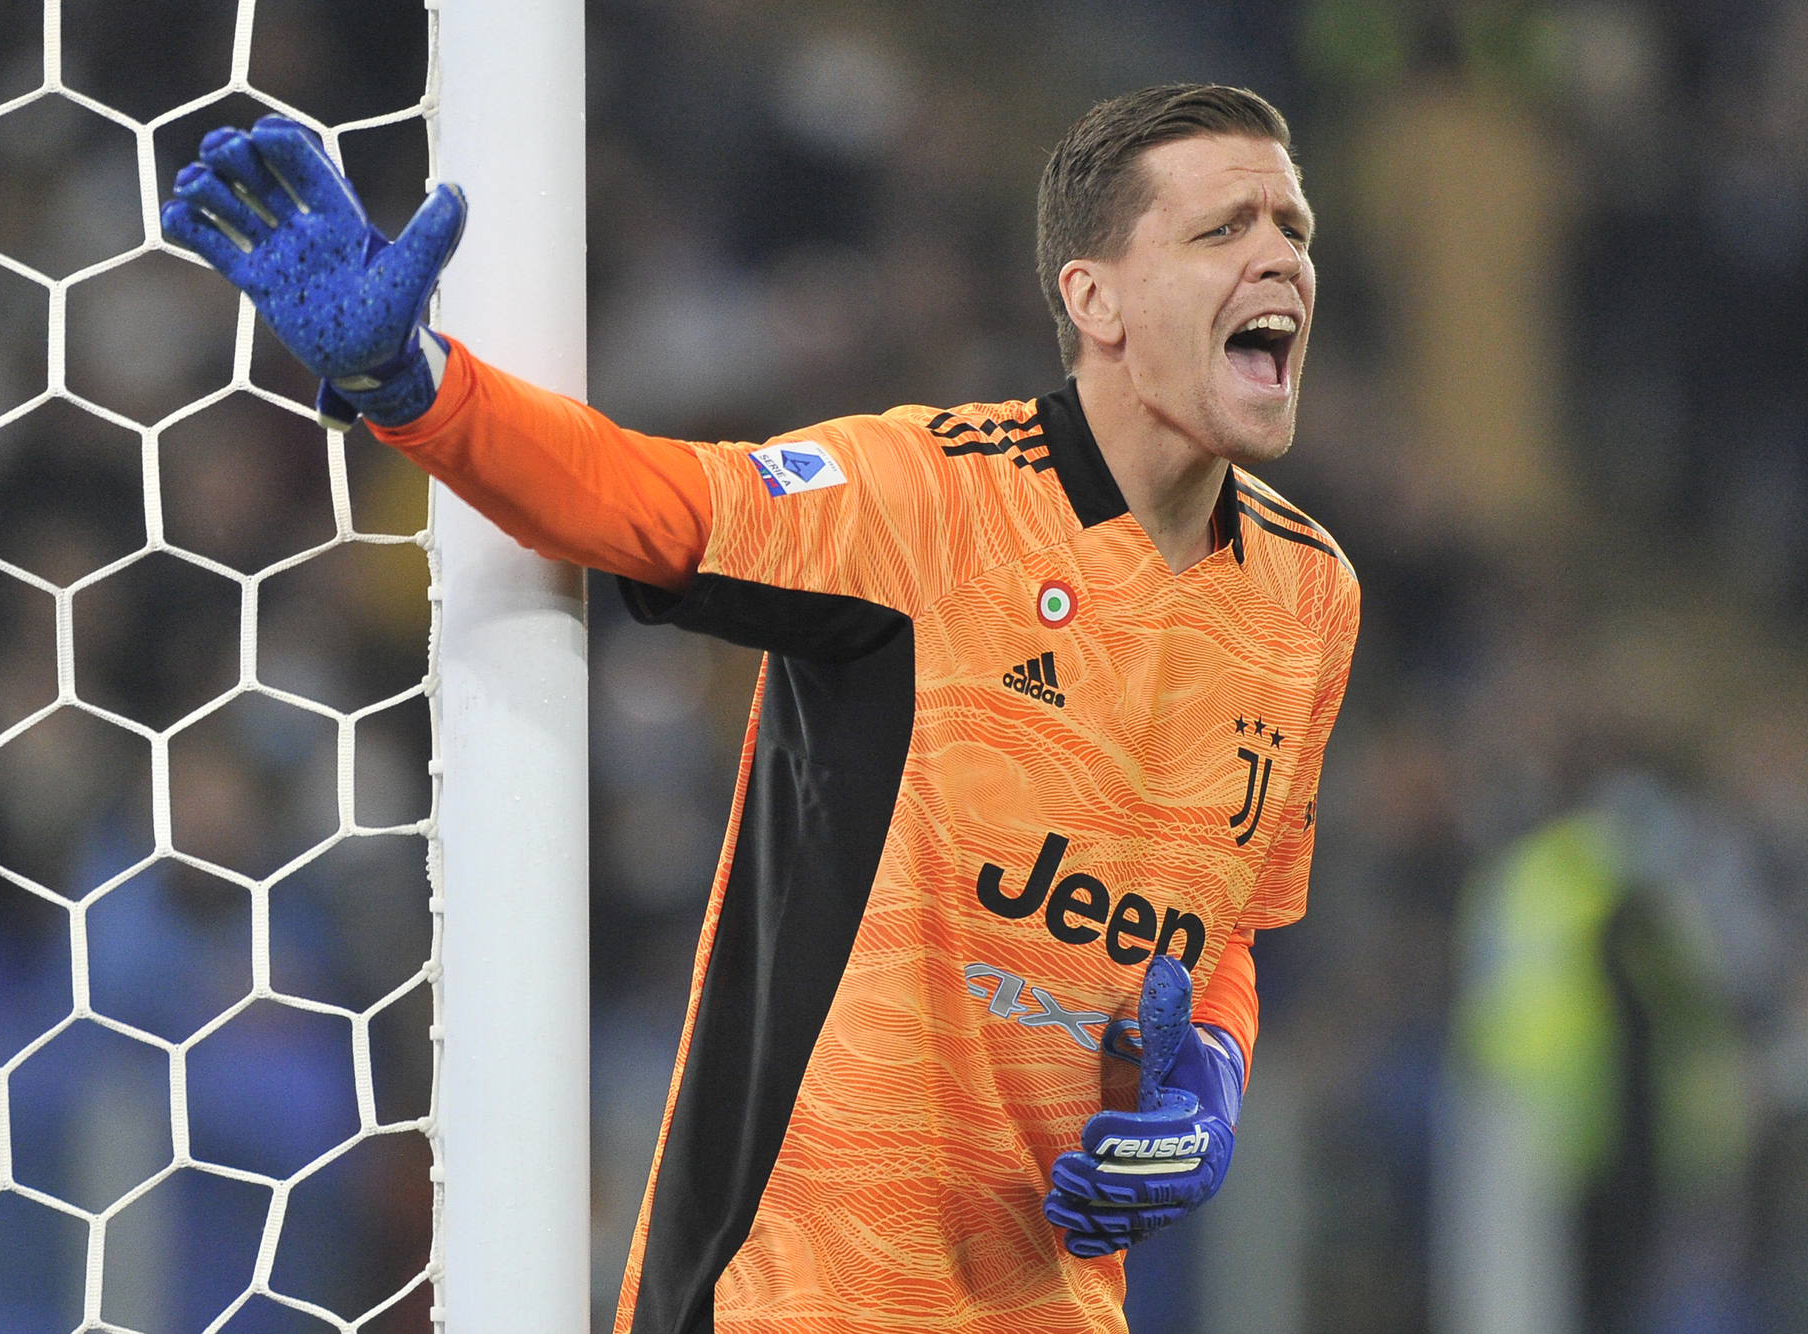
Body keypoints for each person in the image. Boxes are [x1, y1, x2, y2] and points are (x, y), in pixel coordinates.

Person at [162, 82, 1358, 1333]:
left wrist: (1210, 1080)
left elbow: (1223, 927)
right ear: (1094, 300)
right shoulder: (930, 503)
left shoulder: (1309, 598)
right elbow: (643, 497)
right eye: (1223, 229)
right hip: (794, 1296)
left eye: (1293, 227)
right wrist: (411, 382)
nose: (1280, 256)